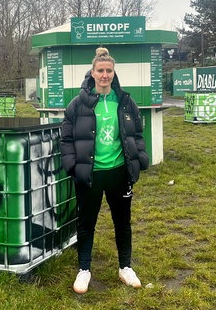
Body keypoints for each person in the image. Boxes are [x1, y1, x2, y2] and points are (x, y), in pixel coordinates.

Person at [60, 47, 149, 294]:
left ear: (113, 73)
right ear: (92, 72)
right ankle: (84, 270)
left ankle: (125, 268)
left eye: (109, 70)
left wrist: (139, 158)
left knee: (123, 222)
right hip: (90, 175)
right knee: (87, 223)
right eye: (100, 70)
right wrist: (73, 166)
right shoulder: (78, 105)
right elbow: (66, 139)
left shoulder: (125, 102)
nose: (105, 75)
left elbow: (137, 134)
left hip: (119, 173)